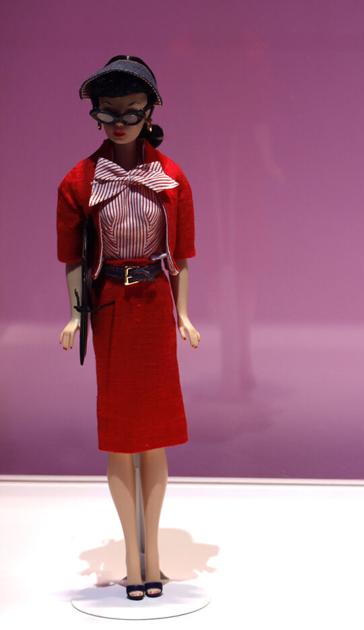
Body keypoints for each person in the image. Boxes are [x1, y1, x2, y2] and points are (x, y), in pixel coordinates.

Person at [57, 55, 200, 601]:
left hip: (155, 305)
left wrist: (183, 314)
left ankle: (153, 556)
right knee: (121, 437)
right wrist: (76, 313)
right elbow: (73, 257)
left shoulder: (172, 179)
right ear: (95, 114)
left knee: (155, 437)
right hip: (112, 306)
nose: (120, 123)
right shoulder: (79, 181)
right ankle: (130, 559)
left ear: (150, 113)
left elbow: (180, 256)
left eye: (131, 112)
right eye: (108, 112)